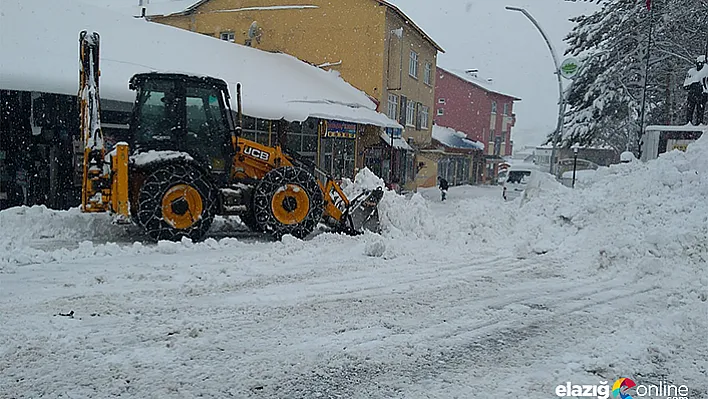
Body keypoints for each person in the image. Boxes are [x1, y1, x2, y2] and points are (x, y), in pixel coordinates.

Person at [684, 55, 707, 125]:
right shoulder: (691, 72)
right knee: (689, 113)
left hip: (702, 97)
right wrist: (693, 83)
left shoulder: (705, 73)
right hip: (692, 97)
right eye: (698, 63)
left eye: (701, 63)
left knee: (700, 114)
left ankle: (699, 125)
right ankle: (688, 125)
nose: (699, 65)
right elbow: (685, 85)